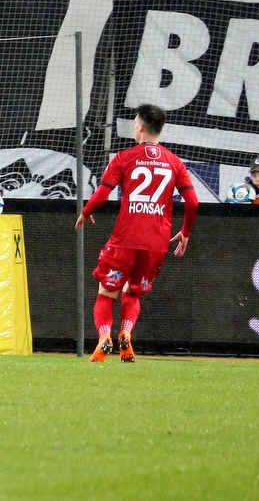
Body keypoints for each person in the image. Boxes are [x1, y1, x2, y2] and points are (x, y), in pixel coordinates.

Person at [75, 103, 198, 364]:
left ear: (140, 127)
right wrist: (185, 232)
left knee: (106, 293)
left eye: (134, 124)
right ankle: (127, 334)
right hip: (157, 242)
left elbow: (103, 193)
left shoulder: (124, 157)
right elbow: (193, 202)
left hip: (125, 239)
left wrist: (86, 212)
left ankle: (105, 337)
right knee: (133, 293)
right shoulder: (175, 162)